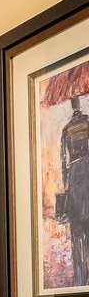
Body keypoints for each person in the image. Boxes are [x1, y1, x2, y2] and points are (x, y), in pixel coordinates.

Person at [58, 94, 89, 286]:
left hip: (75, 178)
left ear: (72, 107)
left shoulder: (66, 129)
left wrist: (66, 182)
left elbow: (63, 162)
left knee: (76, 233)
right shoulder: (88, 122)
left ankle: (80, 280)